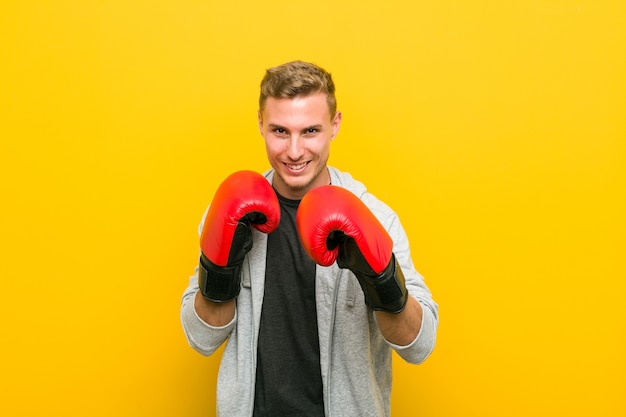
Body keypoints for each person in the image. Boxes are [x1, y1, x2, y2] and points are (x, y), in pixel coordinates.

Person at [180, 60, 438, 417]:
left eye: (310, 131)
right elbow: (202, 339)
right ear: (260, 124)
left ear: (335, 125)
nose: (295, 151)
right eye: (280, 131)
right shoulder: (231, 210)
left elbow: (419, 347)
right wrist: (219, 271)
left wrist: (382, 281)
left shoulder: (375, 215)